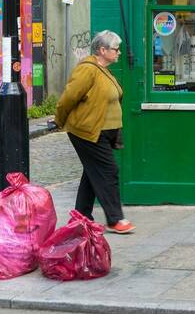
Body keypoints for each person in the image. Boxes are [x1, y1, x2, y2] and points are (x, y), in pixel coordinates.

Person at [55, 30, 135, 234]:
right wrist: (59, 121)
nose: (118, 53)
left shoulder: (104, 71)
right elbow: (68, 98)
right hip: (88, 132)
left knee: (92, 173)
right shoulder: (87, 70)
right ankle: (115, 219)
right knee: (109, 171)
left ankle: (81, 216)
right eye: (115, 49)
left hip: (104, 132)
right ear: (102, 50)